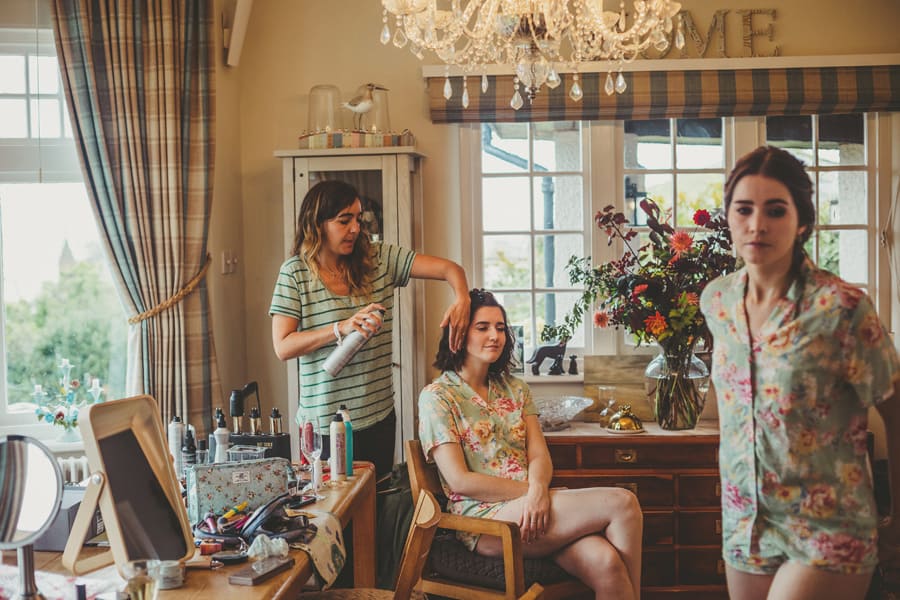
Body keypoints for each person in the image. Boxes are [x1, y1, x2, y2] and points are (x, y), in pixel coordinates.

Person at [700, 145, 900, 600]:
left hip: (829, 523)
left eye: (775, 210)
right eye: (744, 209)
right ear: (728, 217)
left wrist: (899, 521)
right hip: (746, 523)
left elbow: (897, 408)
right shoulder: (716, 302)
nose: (757, 225)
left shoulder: (842, 308)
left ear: (802, 221)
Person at [418, 289, 644, 600]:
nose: (495, 335)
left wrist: (538, 492)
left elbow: (539, 456)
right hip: (487, 523)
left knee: (606, 563)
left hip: (535, 509)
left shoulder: (517, 389)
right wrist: (535, 493)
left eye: (500, 327)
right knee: (623, 502)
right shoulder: (437, 396)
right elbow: (460, 480)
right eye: (482, 327)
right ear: (458, 334)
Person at [270, 180, 469, 476]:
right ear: (317, 224)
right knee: (332, 512)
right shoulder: (295, 273)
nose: (355, 228)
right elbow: (283, 346)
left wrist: (462, 297)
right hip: (324, 425)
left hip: (377, 417)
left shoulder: (380, 258)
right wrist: (341, 328)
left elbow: (449, 269)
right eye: (344, 220)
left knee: (377, 509)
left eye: (358, 219)